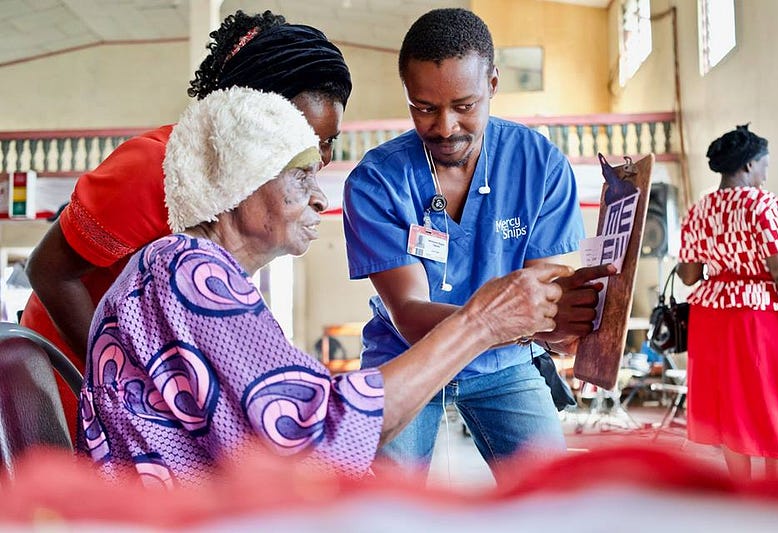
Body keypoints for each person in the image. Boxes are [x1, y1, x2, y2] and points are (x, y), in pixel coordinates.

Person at [78, 86, 578, 486]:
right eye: (301, 177)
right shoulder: (189, 272)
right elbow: (324, 434)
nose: (319, 198)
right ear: (240, 182)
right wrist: (482, 321)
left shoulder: (174, 269)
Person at [22, 10, 352, 439]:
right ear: (251, 114)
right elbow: (49, 271)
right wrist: (121, 380)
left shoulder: (253, 191)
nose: (320, 158)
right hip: (69, 380)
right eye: (307, 138)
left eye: (328, 142)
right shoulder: (155, 167)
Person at [342, 8, 610, 477]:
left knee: (550, 490)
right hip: (406, 356)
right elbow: (409, 314)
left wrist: (567, 319)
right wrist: (526, 320)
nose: (446, 127)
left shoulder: (540, 165)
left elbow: (543, 300)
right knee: (385, 499)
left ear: (493, 84)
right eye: (424, 108)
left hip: (506, 362)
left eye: (464, 105)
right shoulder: (376, 181)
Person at [677, 124, 778, 481]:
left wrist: (722, 262)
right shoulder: (764, 204)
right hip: (760, 318)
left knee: (731, 406)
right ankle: (775, 495)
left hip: (712, 317)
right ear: (748, 165)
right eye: (764, 165)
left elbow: (689, 275)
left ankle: (741, 492)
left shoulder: (699, 210)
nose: (765, 174)